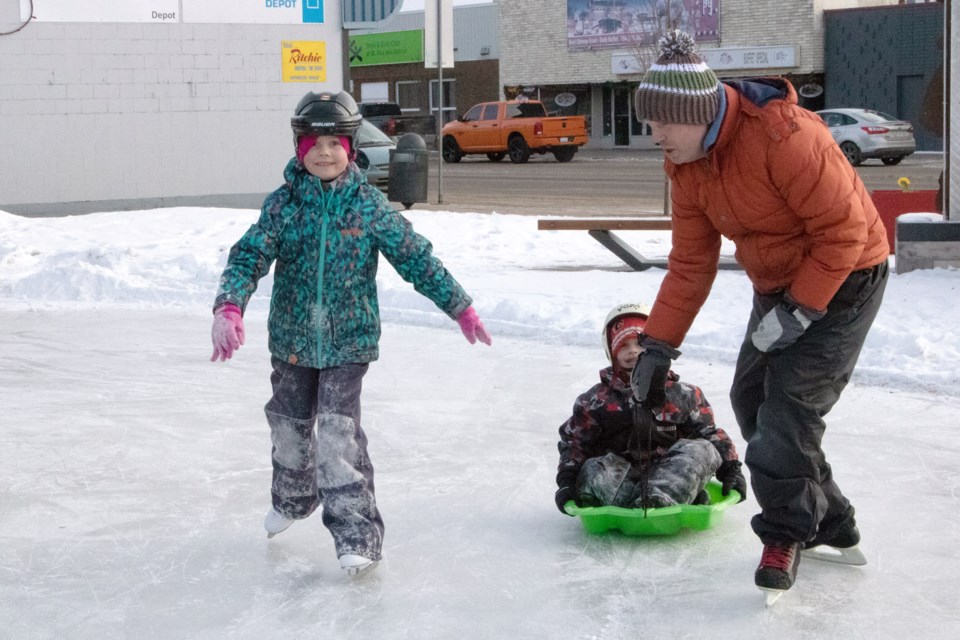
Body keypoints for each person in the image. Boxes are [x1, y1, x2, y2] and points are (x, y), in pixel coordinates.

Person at [631, 31, 889, 599]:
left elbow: (844, 232)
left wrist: (803, 308)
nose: (655, 138)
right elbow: (690, 264)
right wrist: (657, 345)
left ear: (694, 114)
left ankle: (785, 533)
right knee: (752, 400)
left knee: (789, 410)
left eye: (661, 125)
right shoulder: (687, 165)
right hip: (778, 288)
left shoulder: (786, 136)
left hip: (846, 279)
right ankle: (831, 519)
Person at [209, 90, 492, 576]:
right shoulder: (284, 205)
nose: (324, 153)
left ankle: (356, 533)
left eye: (335, 143)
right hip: (294, 341)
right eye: (314, 144)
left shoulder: (369, 205)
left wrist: (459, 306)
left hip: (348, 342)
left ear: (351, 146)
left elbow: (415, 258)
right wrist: (229, 306)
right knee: (289, 427)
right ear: (299, 148)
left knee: (339, 435)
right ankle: (294, 499)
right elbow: (248, 256)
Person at [555, 303, 745, 515]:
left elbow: (710, 435)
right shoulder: (594, 400)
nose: (632, 351)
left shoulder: (683, 394)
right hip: (620, 483)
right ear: (611, 351)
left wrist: (732, 470)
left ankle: (663, 499)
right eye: (623, 345)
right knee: (592, 468)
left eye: (639, 343)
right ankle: (668, 503)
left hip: (672, 477)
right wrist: (567, 480)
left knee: (703, 449)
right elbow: (575, 444)